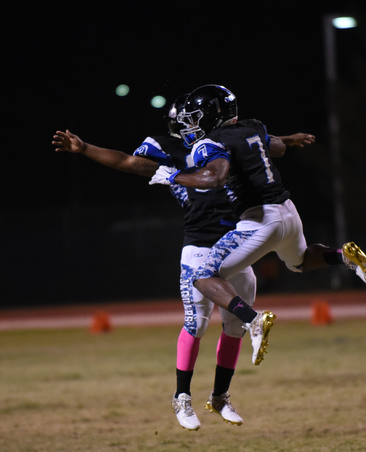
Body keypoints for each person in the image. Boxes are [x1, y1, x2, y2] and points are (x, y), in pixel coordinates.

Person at [52, 96, 315, 431]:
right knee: (197, 322)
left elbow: (260, 141)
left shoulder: (220, 139)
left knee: (233, 327)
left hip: (237, 239)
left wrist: (290, 139)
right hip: (199, 244)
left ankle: (220, 397)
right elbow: (128, 162)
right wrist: (85, 147)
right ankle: (182, 397)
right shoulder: (168, 148)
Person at [149, 85, 366, 376]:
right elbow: (279, 148)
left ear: (211, 116)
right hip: (288, 211)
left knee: (202, 276)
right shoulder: (253, 127)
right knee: (299, 262)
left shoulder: (209, 143)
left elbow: (215, 177)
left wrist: (173, 176)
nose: (193, 125)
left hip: (259, 218)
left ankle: (252, 319)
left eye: (196, 117)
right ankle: (341, 255)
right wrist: (288, 139)